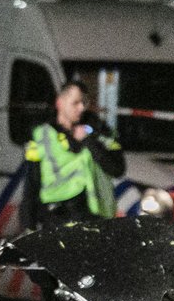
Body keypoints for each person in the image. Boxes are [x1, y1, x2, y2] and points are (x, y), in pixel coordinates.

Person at [20, 79, 125, 230]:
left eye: (84, 103)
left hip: (95, 220)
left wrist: (88, 141)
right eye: (75, 103)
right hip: (57, 218)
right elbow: (31, 186)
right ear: (60, 103)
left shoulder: (99, 130)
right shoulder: (41, 136)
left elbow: (117, 169)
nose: (81, 108)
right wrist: (28, 229)